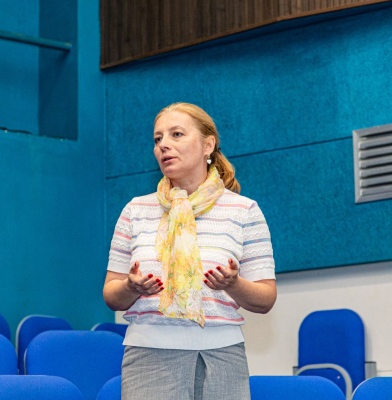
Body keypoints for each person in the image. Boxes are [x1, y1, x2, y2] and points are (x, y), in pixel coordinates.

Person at [103, 102, 277, 400]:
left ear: (208, 145)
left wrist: (233, 284)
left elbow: (265, 299)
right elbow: (111, 295)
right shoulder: (135, 210)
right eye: (158, 139)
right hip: (148, 356)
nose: (163, 145)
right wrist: (131, 287)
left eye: (177, 134)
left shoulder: (244, 210)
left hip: (223, 355)